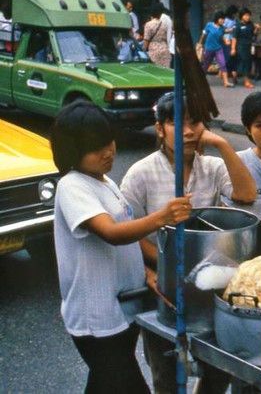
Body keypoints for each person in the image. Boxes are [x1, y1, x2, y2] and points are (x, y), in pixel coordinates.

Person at [50, 101, 193, 394]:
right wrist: (162, 217)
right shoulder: (72, 186)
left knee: (105, 384)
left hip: (123, 308)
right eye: (96, 148)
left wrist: (147, 273)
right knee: (127, 386)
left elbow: (122, 247)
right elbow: (112, 233)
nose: (108, 152)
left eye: (109, 142)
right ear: (72, 152)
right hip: (97, 319)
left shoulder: (104, 182)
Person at [120, 92, 257, 394]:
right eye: (176, 123)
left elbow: (247, 194)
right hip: (163, 286)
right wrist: (156, 267)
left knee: (216, 371)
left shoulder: (212, 167)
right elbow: (127, 231)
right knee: (165, 372)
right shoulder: (140, 174)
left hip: (210, 285)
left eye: (195, 122)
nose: (188, 131)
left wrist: (221, 143)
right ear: (160, 129)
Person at [197, 11, 232, 87]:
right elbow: (203, 35)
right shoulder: (209, 25)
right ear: (217, 19)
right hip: (209, 49)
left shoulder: (222, 28)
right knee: (206, 66)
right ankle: (201, 80)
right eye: (221, 19)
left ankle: (226, 82)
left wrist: (227, 39)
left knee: (223, 64)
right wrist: (200, 43)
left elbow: (223, 35)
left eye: (223, 19)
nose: (222, 20)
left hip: (218, 49)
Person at [231, 7, 255, 89]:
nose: (248, 17)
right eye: (246, 15)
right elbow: (234, 38)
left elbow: (253, 34)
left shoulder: (250, 24)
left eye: (249, 15)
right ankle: (246, 82)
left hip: (248, 46)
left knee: (245, 62)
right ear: (241, 16)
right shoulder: (237, 26)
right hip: (240, 46)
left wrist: (257, 29)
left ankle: (235, 74)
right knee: (244, 62)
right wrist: (233, 48)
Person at [223, 5, 239, 85]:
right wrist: (230, 31)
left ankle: (232, 73)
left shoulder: (234, 20)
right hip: (227, 41)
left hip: (233, 40)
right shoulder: (225, 20)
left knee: (231, 57)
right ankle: (231, 73)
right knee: (228, 57)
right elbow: (223, 30)